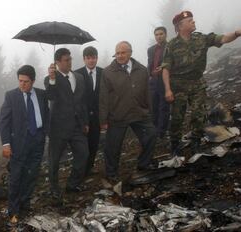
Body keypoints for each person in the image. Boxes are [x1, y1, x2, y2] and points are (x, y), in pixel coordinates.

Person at [162, 11, 241, 156]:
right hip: (178, 85)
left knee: (199, 115)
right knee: (177, 118)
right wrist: (167, 90)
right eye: (190, 20)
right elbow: (166, 68)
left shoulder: (201, 38)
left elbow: (222, 38)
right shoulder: (172, 45)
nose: (193, 22)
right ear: (180, 26)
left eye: (192, 19)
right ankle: (175, 146)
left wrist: (236, 33)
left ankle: (196, 143)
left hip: (197, 83)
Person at [99, 41, 157, 181]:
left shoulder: (142, 70)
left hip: (139, 113)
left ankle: (144, 164)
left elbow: (147, 92)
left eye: (123, 52)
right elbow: (103, 97)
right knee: (112, 147)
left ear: (130, 52)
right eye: (117, 53)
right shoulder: (108, 72)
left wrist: (149, 111)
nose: (119, 56)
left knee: (151, 135)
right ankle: (111, 173)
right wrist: (103, 120)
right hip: (118, 116)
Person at [0, 65, 49, 225]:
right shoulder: (11, 96)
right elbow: (4, 121)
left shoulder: (41, 94)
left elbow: (46, 114)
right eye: (20, 81)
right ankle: (13, 210)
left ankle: (25, 203)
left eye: (26, 81)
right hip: (19, 143)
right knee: (16, 177)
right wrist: (6, 144)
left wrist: (45, 134)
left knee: (32, 173)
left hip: (37, 140)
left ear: (33, 81)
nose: (22, 84)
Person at [44, 48, 89, 197]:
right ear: (57, 62)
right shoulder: (51, 79)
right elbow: (50, 96)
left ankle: (72, 184)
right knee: (54, 160)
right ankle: (54, 188)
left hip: (77, 125)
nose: (69, 62)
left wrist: (85, 122)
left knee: (83, 154)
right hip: (58, 128)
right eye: (66, 60)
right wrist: (51, 78)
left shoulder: (79, 77)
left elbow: (82, 102)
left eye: (70, 59)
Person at [74, 46, 104, 176]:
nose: (91, 61)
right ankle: (80, 170)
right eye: (88, 58)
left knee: (94, 143)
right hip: (82, 117)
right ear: (84, 59)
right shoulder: (76, 74)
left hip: (97, 116)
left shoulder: (104, 73)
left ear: (97, 58)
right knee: (82, 146)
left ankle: (89, 167)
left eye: (93, 58)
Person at [147, 26, 170, 139]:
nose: (159, 36)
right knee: (153, 106)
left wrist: (163, 68)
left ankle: (161, 132)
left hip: (165, 80)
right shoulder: (151, 50)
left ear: (165, 35)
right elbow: (149, 64)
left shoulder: (170, 47)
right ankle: (154, 129)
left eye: (161, 34)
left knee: (163, 107)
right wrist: (149, 77)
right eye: (156, 34)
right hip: (153, 81)